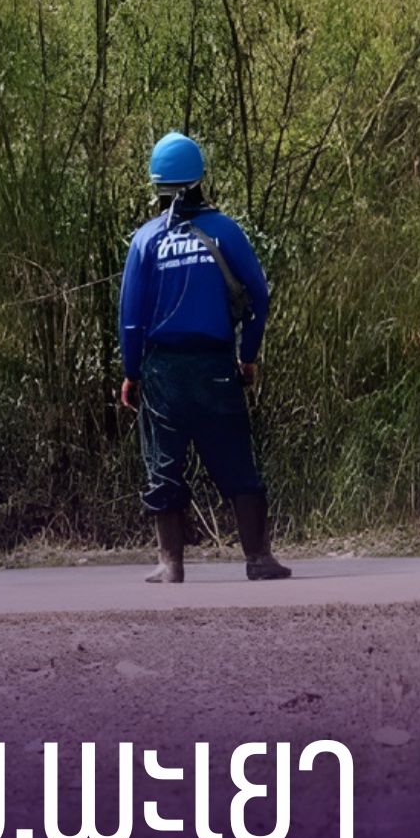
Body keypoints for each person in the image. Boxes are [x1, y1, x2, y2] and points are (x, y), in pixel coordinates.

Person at [116, 132, 282, 584]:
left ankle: (171, 564)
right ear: (200, 179)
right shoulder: (226, 231)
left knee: (164, 463)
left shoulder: (145, 240)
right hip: (214, 367)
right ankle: (258, 558)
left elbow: (130, 320)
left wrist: (132, 372)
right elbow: (259, 297)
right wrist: (247, 355)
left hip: (163, 372)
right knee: (236, 459)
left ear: (157, 186)